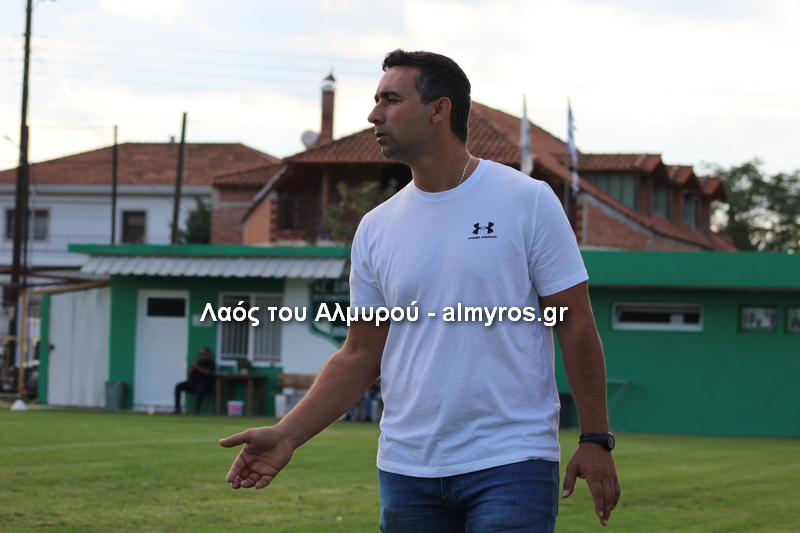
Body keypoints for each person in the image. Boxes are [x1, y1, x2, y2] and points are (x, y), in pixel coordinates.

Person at [220, 49, 620, 531]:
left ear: (439, 109)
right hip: (406, 469)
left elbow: (575, 322)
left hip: (511, 461)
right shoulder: (376, 227)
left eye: (390, 100)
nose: (374, 115)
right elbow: (360, 354)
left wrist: (595, 437)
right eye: (376, 101)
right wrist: (287, 434)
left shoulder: (527, 200)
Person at [174, 346, 216, 414]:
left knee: (201, 387)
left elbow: (209, 372)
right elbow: (189, 372)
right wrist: (193, 367)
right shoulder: (197, 362)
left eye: (203, 353)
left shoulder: (211, 363)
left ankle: (196, 410)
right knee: (178, 386)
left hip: (204, 383)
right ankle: (177, 408)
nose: (201, 355)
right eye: (200, 353)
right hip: (193, 382)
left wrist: (197, 367)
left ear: (208, 354)